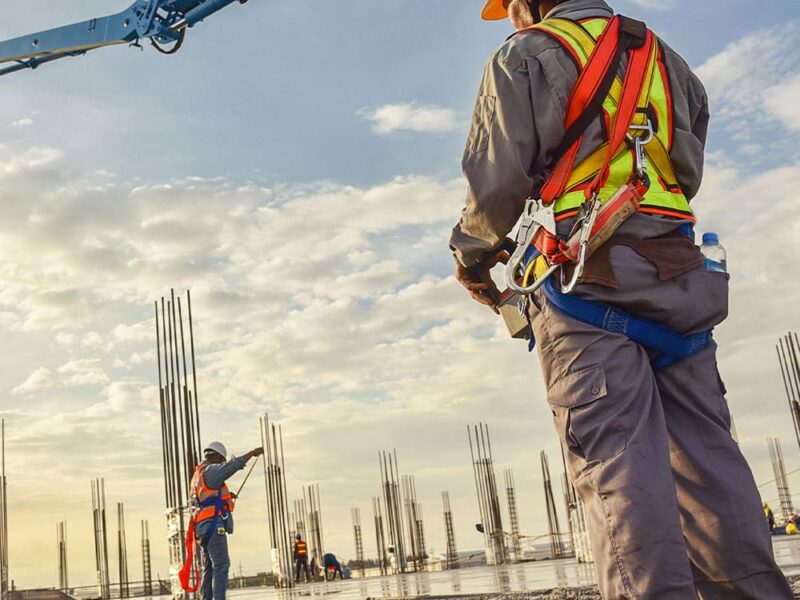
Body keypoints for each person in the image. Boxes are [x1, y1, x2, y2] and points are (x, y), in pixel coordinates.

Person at [450, 1, 793, 598]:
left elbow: (497, 183)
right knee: (712, 464)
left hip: (586, 281)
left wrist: (474, 256)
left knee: (620, 472)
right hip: (680, 278)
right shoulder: (669, 60)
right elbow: (684, 169)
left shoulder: (524, 55)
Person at [191, 441, 263, 600]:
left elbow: (205, 498)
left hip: (202, 527)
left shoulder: (198, 474)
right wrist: (252, 453)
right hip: (212, 526)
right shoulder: (210, 471)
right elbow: (233, 466)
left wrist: (227, 497)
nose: (222, 464)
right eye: (221, 461)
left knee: (209, 567)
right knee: (221, 565)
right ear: (216, 456)